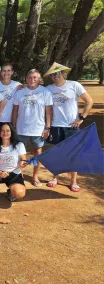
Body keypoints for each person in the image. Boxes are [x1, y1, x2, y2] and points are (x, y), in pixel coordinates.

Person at [44, 63, 94, 192]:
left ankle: (73, 181)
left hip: (71, 126)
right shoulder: (49, 89)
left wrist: (81, 118)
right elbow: (36, 91)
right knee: (58, 153)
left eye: (58, 73)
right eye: (53, 74)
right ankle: (55, 178)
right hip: (56, 126)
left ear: (63, 73)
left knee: (74, 154)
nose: (55, 76)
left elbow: (89, 101)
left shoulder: (74, 85)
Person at [12, 69, 53, 187]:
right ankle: (20, 176)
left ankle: (35, 176)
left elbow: (48, 112)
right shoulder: (20, 92)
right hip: (21, 128)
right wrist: (13, 125)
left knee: (38, 153)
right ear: (26, 79)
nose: (32, 80)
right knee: (20, 153)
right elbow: (15, 110)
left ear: (39, 79)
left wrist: (47, 127)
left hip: (38, 128)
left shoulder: (45, 92)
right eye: (30, 77)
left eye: (35, 77)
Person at [0, 123, 28, 208]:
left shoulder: (19, 145)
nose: (5, 133)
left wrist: (23, 162)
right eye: (2, 131)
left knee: (20, 193)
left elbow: (23, 159)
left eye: (8, 130)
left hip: (14, 174)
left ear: (12, 132)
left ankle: (11, 191)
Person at [0, 63, 23, 136]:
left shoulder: (17, 85)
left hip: (13, 120)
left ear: (12, 72)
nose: (6, 73)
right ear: (1, 72)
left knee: (12, 144)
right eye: (4, 71)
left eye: (8, 70)